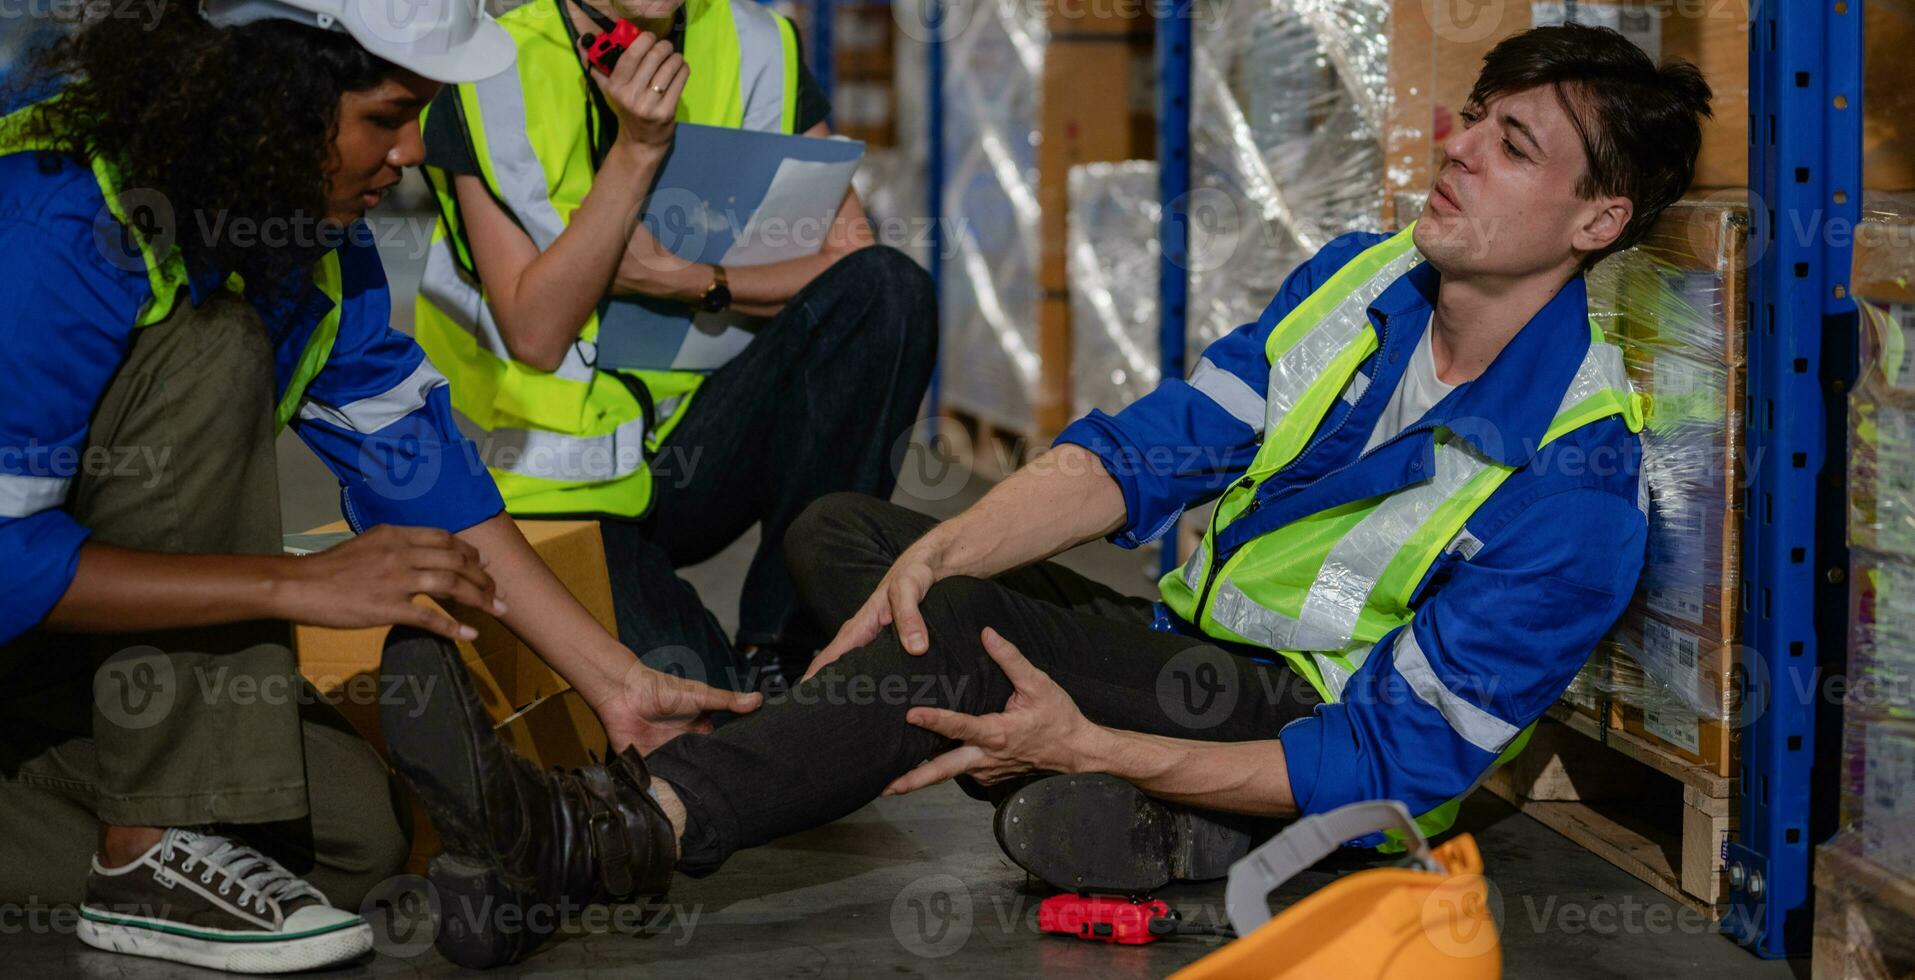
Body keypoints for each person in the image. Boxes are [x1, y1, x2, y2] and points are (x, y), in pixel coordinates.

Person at [376, 22, 1712, 969]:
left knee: (957, 638)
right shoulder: (1363, 283)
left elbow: (1383, 759)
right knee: (858, 543)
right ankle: (1127, 804)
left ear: (1596, 222)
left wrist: (1087, 744)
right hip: (1180, 645)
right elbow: (1141, 453)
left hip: (1303, 720)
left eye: (1513, 144)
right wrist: (937, 553)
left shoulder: (1572, 483)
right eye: (1472, 116)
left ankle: (609, 828)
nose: (1458, 147)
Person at [0, 0, 756, 971]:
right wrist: (291, 582)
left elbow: (416, 460)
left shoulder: (306, 232)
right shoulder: (58, 216)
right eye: (388, 117)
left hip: (53, 652)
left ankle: (150, 839)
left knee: (356, 836)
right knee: (215, 344)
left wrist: (616, 682)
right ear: (272, 95)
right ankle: (146, 844)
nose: (408, 154)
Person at [413, 0, 938, 695]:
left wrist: (689, 280)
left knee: (887, 290)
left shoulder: (756, 44)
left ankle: (786, 642)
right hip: (564, 475)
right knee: (701, 715)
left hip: (705, 436)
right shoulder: (487, 70)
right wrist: (637, 149)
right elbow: (535, 336)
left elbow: (851, 262)